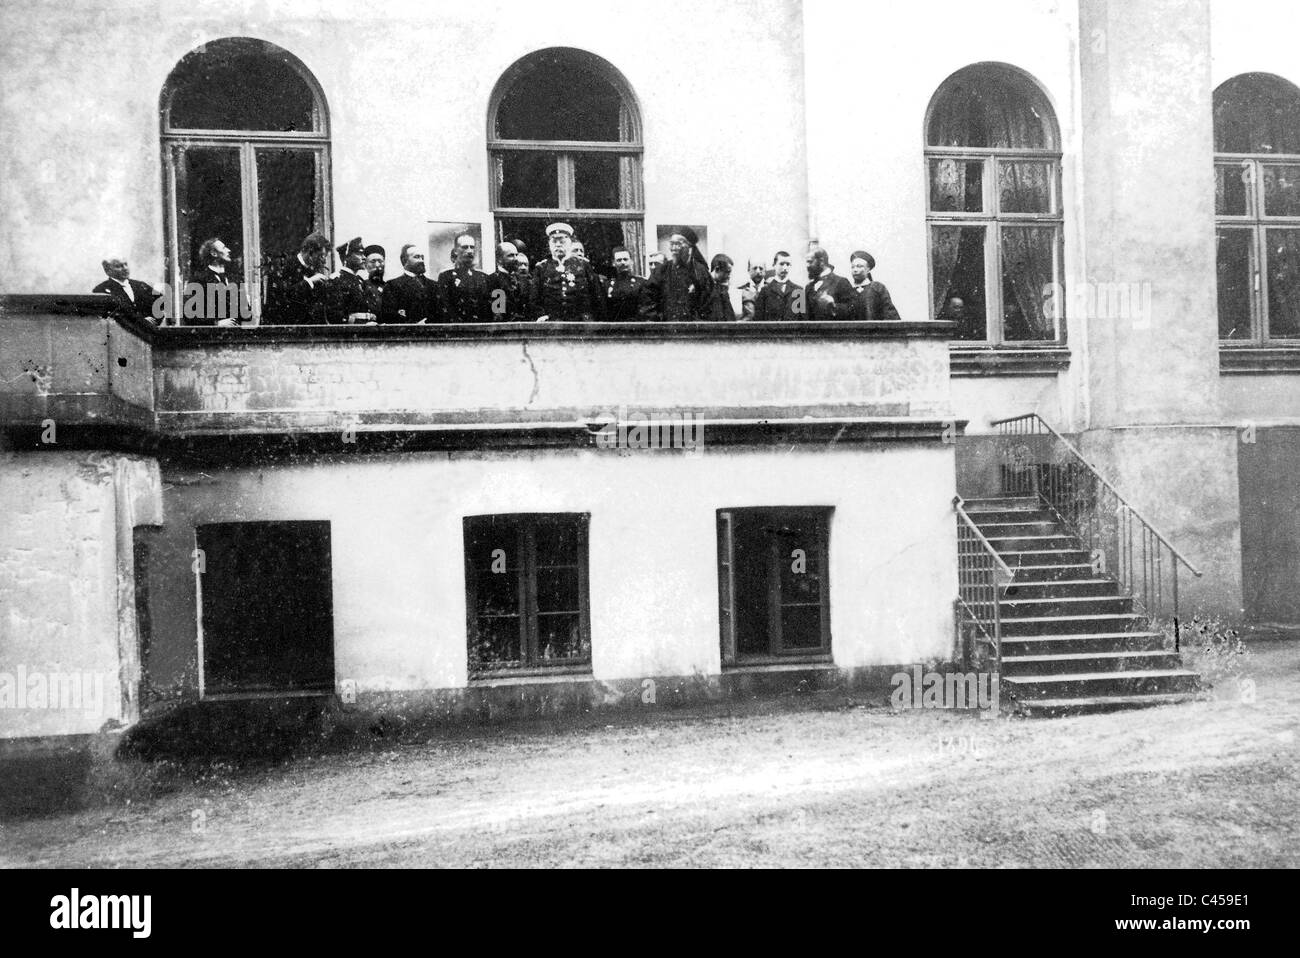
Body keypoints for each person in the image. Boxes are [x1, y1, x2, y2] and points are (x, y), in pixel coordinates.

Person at [528, 222, 606, 322]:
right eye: (554, 241)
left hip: (582, 323)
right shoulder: (542, 268)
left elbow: (597, 295)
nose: (558, 245)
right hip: (552, 323)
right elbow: (534, 299)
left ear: (569, 243)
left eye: (562, 241)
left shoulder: (583, 265)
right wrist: (541, 315)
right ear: (549, 245)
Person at [640, 227, 712, 322]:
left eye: (678, 244)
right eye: (671, 244)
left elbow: (709, 302)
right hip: (666, 330)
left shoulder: (700, 272)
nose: (673, 248)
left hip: (693, 330)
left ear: (690, 247)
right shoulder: (661, 271)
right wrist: (658, 321)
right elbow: (648, 298)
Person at [264, 231, 332, 325]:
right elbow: (281, 300)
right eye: (321, 256)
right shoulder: (283, 267)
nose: (324, 262)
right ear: (310, 253)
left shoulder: (313, 272)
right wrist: (309, 282)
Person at [184, 237, 247, 327]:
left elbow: (246, 312)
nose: (228, 250)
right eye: (224, 248)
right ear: (214, 253)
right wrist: (216, 323)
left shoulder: (235, 279)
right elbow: (189, 314)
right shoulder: (198, 280)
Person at [438, 232, 493, 323]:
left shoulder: (483, 276)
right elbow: (445, 307)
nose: (470, 251)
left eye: (472, 247)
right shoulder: (446, 277)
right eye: (465, 247)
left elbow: (492, 305)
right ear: (455, 251)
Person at [326, 237, 381, 324]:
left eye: (364, 254)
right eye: (359, 254)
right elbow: (334, 315)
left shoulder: (360, 281)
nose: (363, 258)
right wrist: (361, 324)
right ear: (347, 257)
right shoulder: (337, 280)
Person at [381, 244, 441, 323]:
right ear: (404, 260)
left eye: (422, 257)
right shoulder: (392, 286)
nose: (421, 260)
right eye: (416, 257)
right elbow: (389, 316)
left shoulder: (434, 285)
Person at [92, 256, 161, 324]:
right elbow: (107, 317)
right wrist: (141, 321)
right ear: (108, 270)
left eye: (126, 264)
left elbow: (162, 302)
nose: (125, 268)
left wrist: (154, 320)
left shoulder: (140, 285)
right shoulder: (101, 290)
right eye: (118, 266)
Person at [848, 250, 903, 322]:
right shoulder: (847, 289)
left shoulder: (877, 288)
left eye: (859, 266)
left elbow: (890, 314)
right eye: (853, 267)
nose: (855, 270)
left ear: (868, 269)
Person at [804, 247, 855, 321]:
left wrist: (833, 305)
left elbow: (852, 310)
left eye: (810, 262)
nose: (807, 265)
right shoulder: (809, 287)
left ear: (821, 261)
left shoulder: (841, 282)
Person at [754, 251, 801, 322]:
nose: (785, 268)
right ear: (774, 265)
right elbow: (758, 319)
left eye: (788, 264)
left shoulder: (799, 290)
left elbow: (804, 320)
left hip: (792, 332)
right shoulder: (765, 291)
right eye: (781, 264)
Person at [486, 241, 525, 321]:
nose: (516, 259)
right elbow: (497, 313)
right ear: (499, 259)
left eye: (516, 255)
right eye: (511, 256)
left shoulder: (521, 279)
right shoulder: (493, 280)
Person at [604, 246, 646, 322]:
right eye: (619, 260)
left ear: (631, 261)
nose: (623, 262)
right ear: (614, 263)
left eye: (625, 259)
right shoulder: (607, 285)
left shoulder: (641, 282)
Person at [705, 253, 746, 322]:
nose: (729, 276)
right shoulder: (704, 287)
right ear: (717, 269)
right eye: (727, 272)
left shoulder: (722, 288)